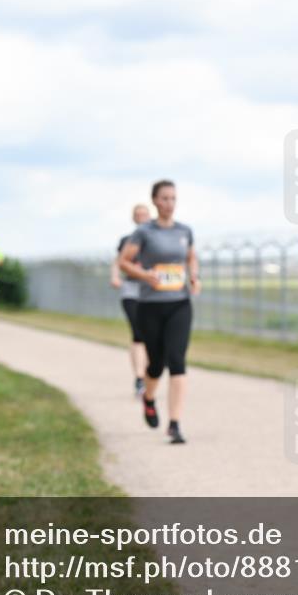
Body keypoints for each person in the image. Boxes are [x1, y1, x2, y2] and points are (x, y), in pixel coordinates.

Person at [118, 180, 200, 444]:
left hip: (179, 303)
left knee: (177, 361)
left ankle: (174, 424)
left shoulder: (185, 230)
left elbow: (191, 257)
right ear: (154, 201)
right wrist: (145, 275)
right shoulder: (144, 232)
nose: (169, 203)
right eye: (164, 198)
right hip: (150, 306)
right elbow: (124, 263)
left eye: (173, 198)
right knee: (156, 364)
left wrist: (194, 277)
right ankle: (149, 397)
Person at [111, 204, 151, 396]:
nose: (142, 217)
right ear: (134, 218)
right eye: (138, 215)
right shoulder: (127, 240)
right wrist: (115, 276)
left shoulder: (156, 238)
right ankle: (139, 377)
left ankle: (150, 373)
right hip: (131, 290)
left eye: (145, 214)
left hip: (151, 292)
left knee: (152, 336)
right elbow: (118, 261)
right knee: (138, 333)